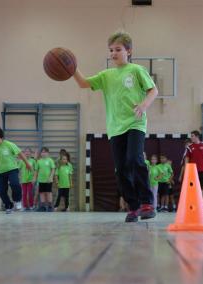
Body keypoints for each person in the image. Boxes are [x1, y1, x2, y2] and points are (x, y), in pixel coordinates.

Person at [72, 30, 158, 222]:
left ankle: (147, 203)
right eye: (111, 50)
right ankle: (133, 207)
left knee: (135, 159)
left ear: (129, 51)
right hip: (115, 128)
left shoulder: (136, 70)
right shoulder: (106, 75)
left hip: (135, 123)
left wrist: (144, 105)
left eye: (118, 49)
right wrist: (72, 68)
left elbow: (153, 90)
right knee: (121, 169)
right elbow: (83, 83)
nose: (113, 53)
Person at [0, 127, 32, 214]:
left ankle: (17, 200)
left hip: (12, 169)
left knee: (15, 184)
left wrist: (27, 163)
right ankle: (9, 205)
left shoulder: (9, 144)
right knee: (0, 190)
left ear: (2, 138)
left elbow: (20, 154)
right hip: (1, 172)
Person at [183, 130, 203, 213]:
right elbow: (186, 159)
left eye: (192, 136)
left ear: (197, 136)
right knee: (194, 190)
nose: (191, 137)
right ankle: (194, 206)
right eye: (191, 136)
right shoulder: (189, 147)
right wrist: (187, 170)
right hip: (193, 172)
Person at [33, 147, 55, 212]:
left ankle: (50, 206)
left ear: (48, 153)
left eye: (45, 152)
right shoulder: (39, 161)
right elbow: (36, 171)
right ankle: (43, 206)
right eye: (42, 152)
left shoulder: (50, 160)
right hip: (40, 180)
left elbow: (53, 169)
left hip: (48, 180)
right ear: (40, 153)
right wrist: (34, 178)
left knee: (49, 193)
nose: (43, 153)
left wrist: (51, 177)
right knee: (42, 193)